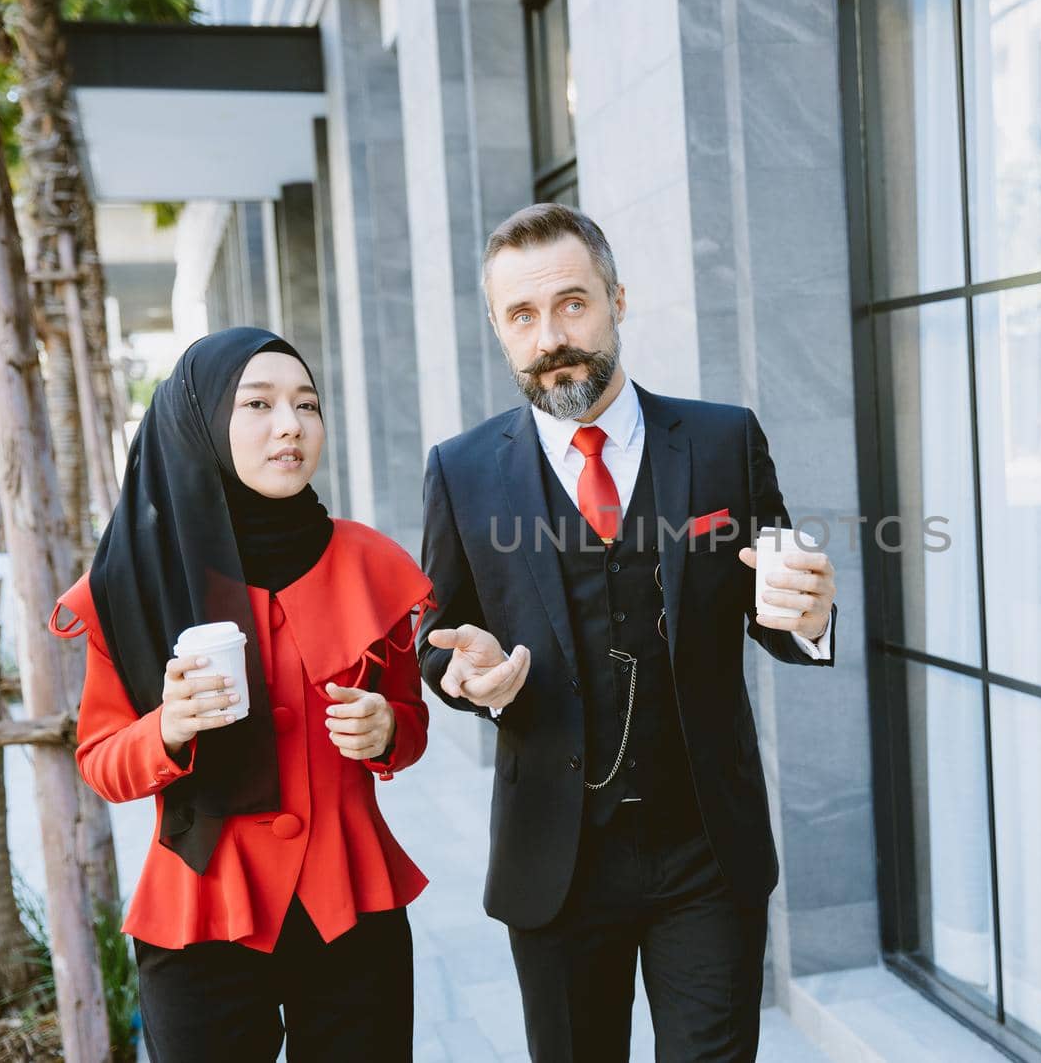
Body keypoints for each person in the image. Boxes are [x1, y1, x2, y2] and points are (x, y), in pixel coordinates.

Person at [417, 204, 839, 1061]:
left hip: (707, 855)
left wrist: (814, 614)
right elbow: (438, 632)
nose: (551, 337)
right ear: (499, 329)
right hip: (557, 860)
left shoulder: (723, 439)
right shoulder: (461, 470)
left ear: (616, 297)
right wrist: (465, 674)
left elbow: (781, 601)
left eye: (572, 303)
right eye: (522, 316)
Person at [49, 327, 432, 1062]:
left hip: (351, 907)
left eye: (307, 404)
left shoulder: (371, 563)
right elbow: (100, 758)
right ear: (200, 423)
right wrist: (169, 728)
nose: (290, 425)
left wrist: (388, 728)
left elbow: (409, 723)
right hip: (202, 913)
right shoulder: (134, 583)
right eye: (258, 403)